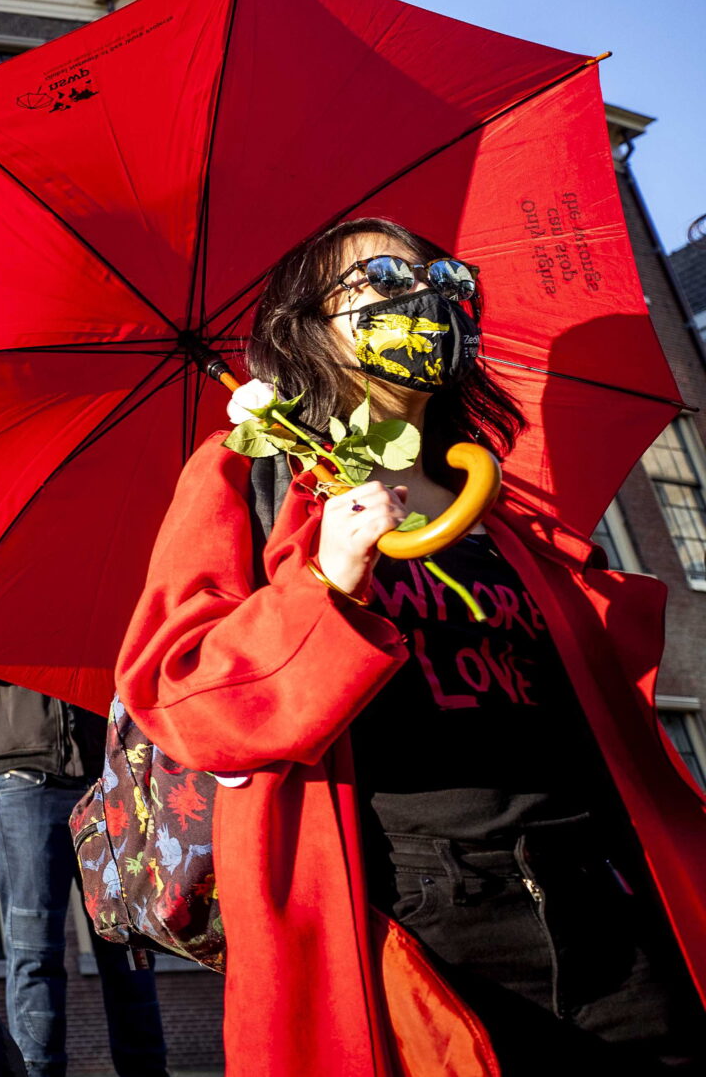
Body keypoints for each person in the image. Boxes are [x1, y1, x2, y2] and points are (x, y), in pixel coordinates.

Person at [115, 218, 706, 1075]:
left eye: (443, 281)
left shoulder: (501, 502)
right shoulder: (247, 476)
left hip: (612, 908)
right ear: (306, 326)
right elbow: (181, 692)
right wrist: (324, 585)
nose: (424, 300)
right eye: (384, 280)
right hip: (428, 928)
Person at [0, 674, 169, 1076]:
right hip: (23, 772)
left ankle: (148, 1070)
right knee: (34, 949)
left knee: (128, 943)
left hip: (104, 772)